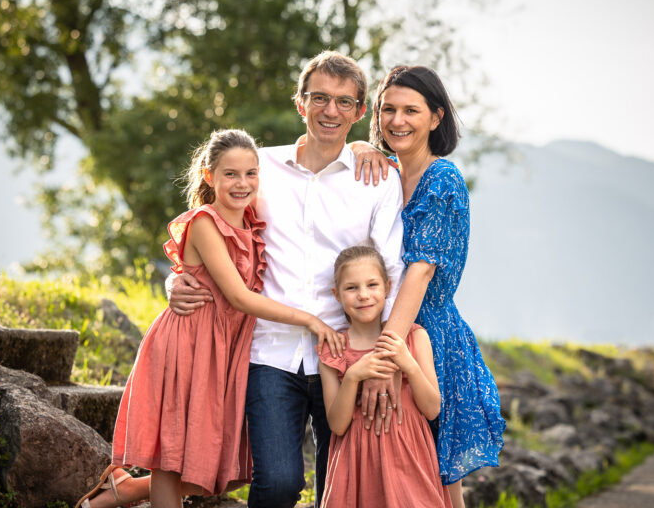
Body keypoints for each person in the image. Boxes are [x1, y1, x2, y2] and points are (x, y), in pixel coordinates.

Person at [168, 51, 406, 508]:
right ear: (301, 103)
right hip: (269, 352)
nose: (330, 111)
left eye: (343, 102)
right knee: (277, 483)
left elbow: (390, 270)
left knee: (341, 488)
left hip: (345, 356)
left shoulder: (376, 179)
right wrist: (177, 280)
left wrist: (385, 358)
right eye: (319, 98)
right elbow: (211, 224)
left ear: (359, 113)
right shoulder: (261, 170)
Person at [75, 129, 343, 508]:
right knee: (173, 455)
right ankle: (131, 492)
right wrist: (311, 321)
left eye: (251, 173)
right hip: (189, 340)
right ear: (208, 176)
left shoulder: (252, 220)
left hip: (224, 349)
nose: (242, 183)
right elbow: (238, 296)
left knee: (208, 459)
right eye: (230, 174)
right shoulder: (205, 222)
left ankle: (126, 490)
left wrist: (363, 146)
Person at [368, 65, 506, 508]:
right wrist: (357, 147)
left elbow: (421, 271)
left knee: (435, 474)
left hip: (426, 334)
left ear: (436, 117)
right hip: (382, 327)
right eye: (387, 109)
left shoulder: (442, 180)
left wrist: (387, 353)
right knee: (395, 468)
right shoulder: (383, 172)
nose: (397, 120)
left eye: (411, 110)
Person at [318, 246, 452, 508]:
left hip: (409, 458)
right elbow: (336, 424)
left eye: (372, 284)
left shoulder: (414, 337)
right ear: (337, 295)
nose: (363, 295)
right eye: (352, 288)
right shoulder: (333, 350)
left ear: (388, 287)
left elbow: (432, 408)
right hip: (359, 463)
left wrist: (408, 365)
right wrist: (353, 377)